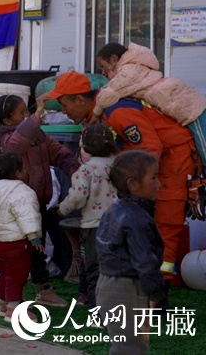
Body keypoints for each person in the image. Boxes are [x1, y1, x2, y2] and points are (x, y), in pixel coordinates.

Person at [45, 70, 203, 281]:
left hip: (175, 159)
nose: (63, 111)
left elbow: (150, 147)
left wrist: (130, 186)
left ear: (80, 99)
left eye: (64, 105)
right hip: (161, 160)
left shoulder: (117, 113)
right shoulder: (103, 114)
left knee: (167, 221)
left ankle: (159, 286)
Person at [0, 92, 77, 307]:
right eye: (21, 113)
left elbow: (57, 151)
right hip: (18, 209)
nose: (27, 115)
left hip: (37, 204)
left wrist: (76, 169)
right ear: (7, 121)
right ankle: (12, 301)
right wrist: (36, 115)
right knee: (20, 256)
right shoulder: (4, 138)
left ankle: (39, 291)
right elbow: (16, 146)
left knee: (37, 249)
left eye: (27, 110)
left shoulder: (35, 133)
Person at [96, 150, 165, 355]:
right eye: (153, 178)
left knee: (124, 347)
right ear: (133, 184)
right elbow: (144, 262)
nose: (158, 183)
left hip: (107, 284)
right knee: (131, 349)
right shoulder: (135, 218)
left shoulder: (114, 209)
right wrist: (157, 293)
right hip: (128, 290)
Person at [53, 123, 119, 309]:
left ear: (86, 148)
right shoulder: (119, 167)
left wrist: (62, 209)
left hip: (93, 228)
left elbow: (78, 197)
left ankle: (97, 311)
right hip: (118, 226)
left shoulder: (86, 170)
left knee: (94, 270)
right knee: (115, 269)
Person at [0, 151, 43, 322]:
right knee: (17, 277)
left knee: (4, 275)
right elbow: (27, 216)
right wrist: (34, 237)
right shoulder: (23, 192)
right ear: (19, 172)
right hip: (17, 244)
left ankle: (3, 305)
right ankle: (14, 310)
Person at [94, 42, 206, 126]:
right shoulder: (134, 66)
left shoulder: (129, 71)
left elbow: (109, 93)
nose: (103, 73)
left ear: (114, 59)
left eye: (103, 66)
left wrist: (95, 113)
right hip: (182, 102)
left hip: (190, 110)